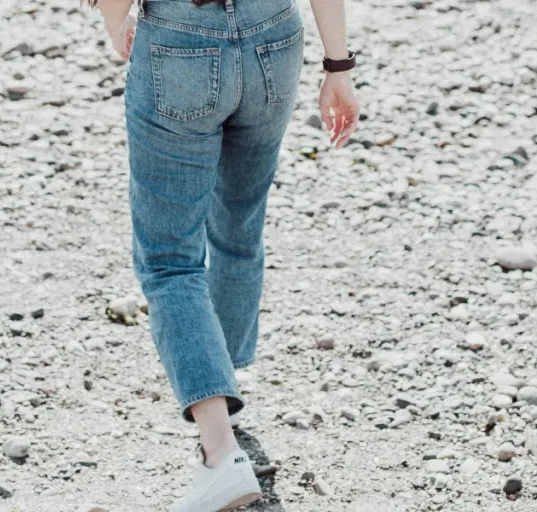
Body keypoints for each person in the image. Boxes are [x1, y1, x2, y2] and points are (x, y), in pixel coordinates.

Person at [86, 0, 359, 509]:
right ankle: (221, 378)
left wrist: (113, 20)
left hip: (180, 42)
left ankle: (220, 452)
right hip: (273, 38)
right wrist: (338, 67)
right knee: (239, 222)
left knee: (169, 259)